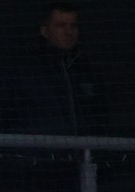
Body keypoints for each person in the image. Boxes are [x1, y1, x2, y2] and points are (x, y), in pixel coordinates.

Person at [12, 5, 107, 135]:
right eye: (61, 26)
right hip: (41, 152)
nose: (69, 32)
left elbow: (99, 116)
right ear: (45, 31)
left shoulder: (86, 70)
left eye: (73, 26)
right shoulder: (25, 72)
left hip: (83, 153)